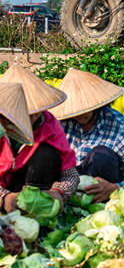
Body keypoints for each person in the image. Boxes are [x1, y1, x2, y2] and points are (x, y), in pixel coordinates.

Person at [55, 68, 124, 202]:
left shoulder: (118, 125)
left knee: (101, 156)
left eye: (87, 108)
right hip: (66, 186)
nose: (81, 114)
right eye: (76, 110)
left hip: (102, 191)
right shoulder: (61, 123)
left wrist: (116, 187)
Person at [0, 64, 78, 213]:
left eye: (36, 112)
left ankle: (35, 213)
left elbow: (70, 173)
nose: (33, 117)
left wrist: (60, 192)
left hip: (31, 186)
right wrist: (4, 198)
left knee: (47, 155)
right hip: (3, 189)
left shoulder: (48, 124)